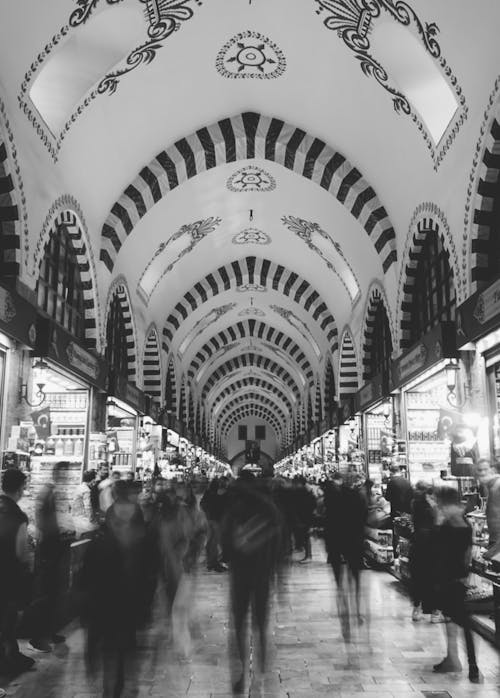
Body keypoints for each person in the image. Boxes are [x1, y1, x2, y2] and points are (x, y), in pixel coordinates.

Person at [221, 472, 280, 694]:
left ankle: (241, 671)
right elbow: (278, 542)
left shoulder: (234, 510)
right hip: (262, 574)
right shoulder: (269, 509)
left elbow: (225, 545)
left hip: (240, 575)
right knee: (260, 623)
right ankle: (261, 673)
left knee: (239, 625)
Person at [430, 486, 481, 683]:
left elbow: (438, 554)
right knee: (457, 621)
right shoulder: (465, 522)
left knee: (462, 622)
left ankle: (468, 664)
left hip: (449, 580)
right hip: (458, 578)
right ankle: (458, 660)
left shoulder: (448, 524)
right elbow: (467, 552)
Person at [0, 469, 35, 676]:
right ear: (20, 488)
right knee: (8, 619)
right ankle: (7, 659)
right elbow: (21, 553)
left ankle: (10, 654)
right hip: (9, 576)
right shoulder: (18, 516)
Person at [409, 482, 443, 623]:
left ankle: (416, 609)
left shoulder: (415, 504)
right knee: (434, 578)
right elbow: (439, 525)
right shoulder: (433, 508)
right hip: (431, 546)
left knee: (418, 577)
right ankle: (435, 613)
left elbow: (414, 523)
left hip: (417, 545)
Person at [474, 459, 500, 556]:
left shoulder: (498, 485)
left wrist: (493, 551)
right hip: (494, 539)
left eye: (485, 469)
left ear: (492, 470)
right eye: (479, 470)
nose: (482, 473)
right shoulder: (490, 487)